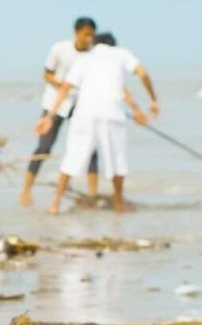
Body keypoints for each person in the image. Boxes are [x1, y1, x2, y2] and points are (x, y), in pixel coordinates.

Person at [38, 32, 160, 214]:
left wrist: (49, 116)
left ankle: (55, 204)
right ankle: (119, 204)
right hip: (112, 112)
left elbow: (66, 87)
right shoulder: (122, 54)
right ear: (113, 44)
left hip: (84, 113)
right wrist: (152, 101)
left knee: (72, 157)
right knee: (117, 160)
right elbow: (142, 73)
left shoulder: (85, 58)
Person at [20, 17, 101, 206]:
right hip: (54, 104)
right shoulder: (60, 49)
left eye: (92, 35)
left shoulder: (94, 54)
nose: (89, 38)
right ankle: (25, 191)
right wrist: (63, 84)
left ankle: (93, 194)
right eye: (85, 34)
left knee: (90, 149)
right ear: (76, 33)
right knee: (44, 147)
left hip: (81, 105)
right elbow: (46, 74)